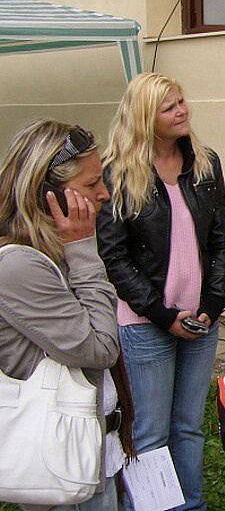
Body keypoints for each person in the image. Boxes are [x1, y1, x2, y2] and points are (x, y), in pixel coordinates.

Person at [96, 73, 225, 511]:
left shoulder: (205, 164)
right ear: (144, 117)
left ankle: (189, 506)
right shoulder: (116, 174)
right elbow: (114, 257)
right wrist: (161, 313)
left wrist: (213, 305)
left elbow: (222, 241)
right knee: (150, 435)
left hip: (200, 320)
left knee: (189, 428)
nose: (183, 110)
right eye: (170, 106)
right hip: (144, 324)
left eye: (182, 101)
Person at [0, 120, 134, 510]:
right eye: (92, 185)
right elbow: (100, 348)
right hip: (61, 460)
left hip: (90, 449)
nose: (104, 194)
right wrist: (83, 251)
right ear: (49, 194)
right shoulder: (22, 267)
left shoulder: (50, 253)